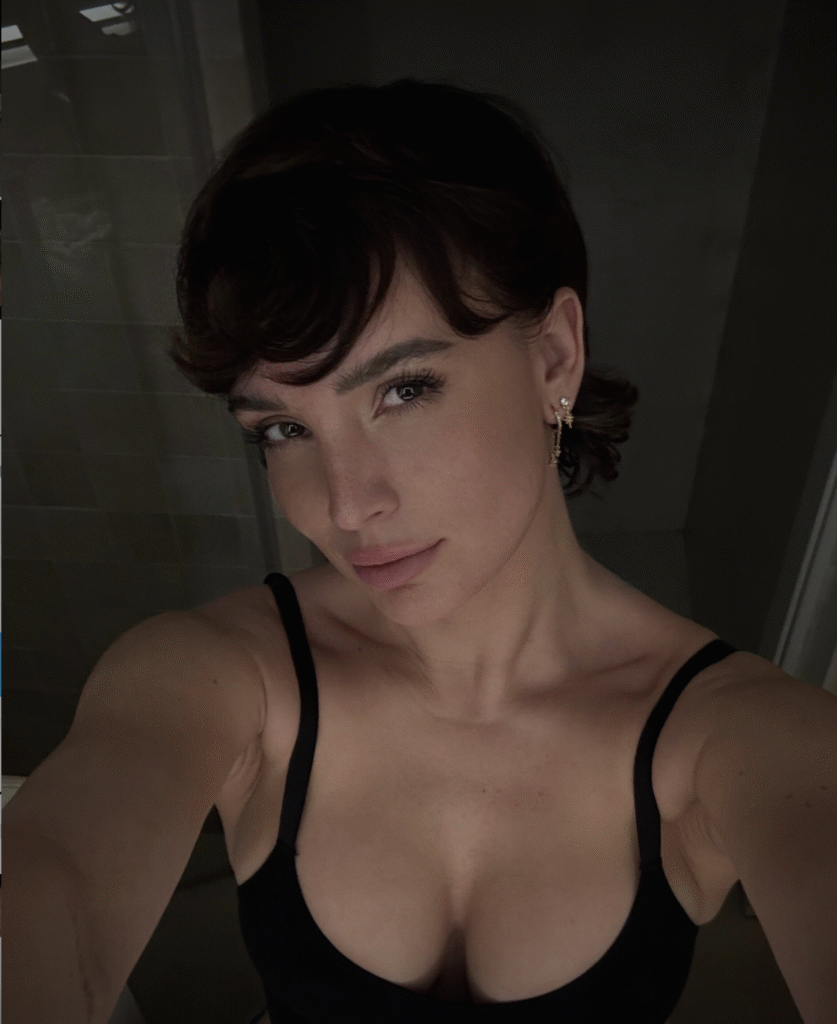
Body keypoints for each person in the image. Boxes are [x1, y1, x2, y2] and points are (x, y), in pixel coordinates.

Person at [6, 79, 836, 1024]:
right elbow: (54, 887)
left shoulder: (744, 738)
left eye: (403, 390)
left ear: (554, 357)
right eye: (282, 429)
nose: (345, 504)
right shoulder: (218, 674)